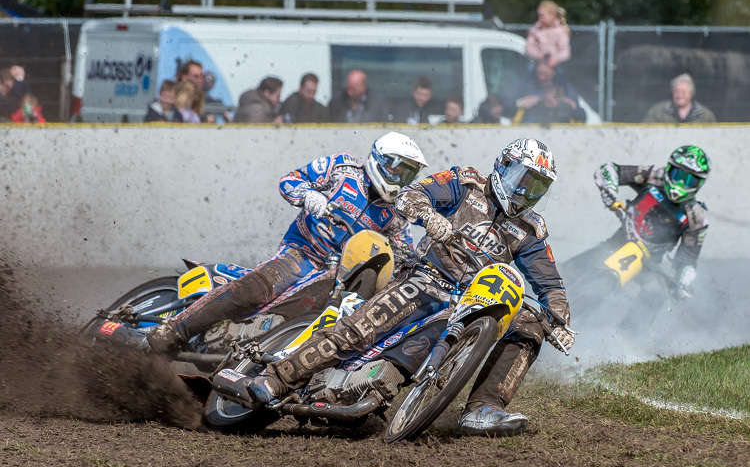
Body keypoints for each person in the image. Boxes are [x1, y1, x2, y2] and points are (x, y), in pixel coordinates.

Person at [243, 138, 574, 438]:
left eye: (537, 187)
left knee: (532, 324)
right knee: (360, 328)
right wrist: (430, 217)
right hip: (425, 279)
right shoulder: (466, 183)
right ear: (503, 166)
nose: (526, 193)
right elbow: (411, 195)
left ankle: (484, 408)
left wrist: (560, 319)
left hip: (472, 302)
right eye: (523, 180)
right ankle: (276, 379)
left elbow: (550, 283)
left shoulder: (531, 228)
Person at [146, 132, 429, 352]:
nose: (402, 180)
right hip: (300, 252)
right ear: (380, 160)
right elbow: (291, 179)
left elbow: (402, 254)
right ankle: (174, 330)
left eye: (409, 175)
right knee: (255, 290)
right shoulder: (343, 168)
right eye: (400, 170)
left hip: (336, 277)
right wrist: (309, 196)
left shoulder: (396, 215)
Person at [566, 145, 711, 299]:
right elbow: (610, 169)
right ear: (669, 169)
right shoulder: (653, 176)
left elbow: (687, 260)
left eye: (689, 180)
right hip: (618, 242)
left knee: (655, 295)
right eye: (678, 175)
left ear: (699, 183)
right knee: (567, 271)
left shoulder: (696, 217)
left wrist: (683, 284)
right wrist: (609, 188)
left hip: (649, 265)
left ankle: (630, 325)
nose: (681, 183)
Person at [501, 59, 581, 121]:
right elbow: (504, 107)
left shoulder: (565, 88)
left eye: (545, 74)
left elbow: (582, 117)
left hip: (560, 132)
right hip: (530, 131)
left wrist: (573, 107)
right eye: (539, 73)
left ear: (554, 72)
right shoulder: (525, 84)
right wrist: (519, 104)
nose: (541, 77)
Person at [642, 73, 716, 124]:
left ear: (691, 94)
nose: (680, 95)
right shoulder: (657, 112)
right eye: (677, 91)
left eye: (684, 92)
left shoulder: (705, 115)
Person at [525, 0, 571, 69]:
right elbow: (528, 47)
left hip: (555, 67)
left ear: (553, 16)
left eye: (542, 16)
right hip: (538, 66)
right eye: (539, 16)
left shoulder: (560, 31)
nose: (540, 19)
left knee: (561, 79)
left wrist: (556, 58)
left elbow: (566, 52)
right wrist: (538, 54)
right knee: (525, 79)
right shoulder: (535, 29)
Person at [517, 85, 585, 124]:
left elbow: (582, 120)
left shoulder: (566, 109)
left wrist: (575, 108)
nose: (546, 104)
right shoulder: (537, 108)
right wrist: (522, 106)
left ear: (559, 99)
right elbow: (523, 124)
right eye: (545, 101)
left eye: (549, 101)